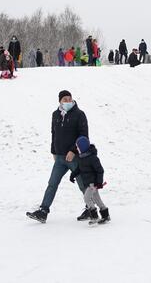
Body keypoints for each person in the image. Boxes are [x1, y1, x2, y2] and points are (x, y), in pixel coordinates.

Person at [27, 90, 91, 223]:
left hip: (75, 157)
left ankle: (91, 208)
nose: (68, 101)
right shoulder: (55, 114)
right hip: (60, 158)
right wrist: (54, 152)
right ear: (60, 101)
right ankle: (43, 211)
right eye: (64, 99)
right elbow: (53, 134)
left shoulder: (79, 114)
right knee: (52, 184)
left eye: (69, 99)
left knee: (82, 185)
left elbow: (84, 136)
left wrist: (74, 151)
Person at [69, 136, 110, 225]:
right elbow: (79, 169)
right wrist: (72, 175)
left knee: (87, 198)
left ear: (82, 147)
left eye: (78, 147)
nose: (77, 149)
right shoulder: (81, 157)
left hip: (93, 183)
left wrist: (99, 182)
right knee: (97, 199)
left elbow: (100, 170)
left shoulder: (93, 158)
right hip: (88, 183)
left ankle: (94, 217)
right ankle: (106, 216)